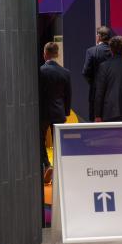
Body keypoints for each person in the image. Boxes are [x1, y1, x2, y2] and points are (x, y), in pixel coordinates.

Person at [39, 42, 71, 184]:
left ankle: (47, 165)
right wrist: (66, 111)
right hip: (59, 112)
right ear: (57, 54)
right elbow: (68, 95)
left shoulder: (40, 71)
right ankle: (60, 169)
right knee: (59, 141)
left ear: (45, 54)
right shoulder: (65, 72)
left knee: (40, 141)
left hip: (43, 113)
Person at [82, 26, 112, 121]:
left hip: (95, 94)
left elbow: (86, 72)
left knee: (97, 127)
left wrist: (94, 83)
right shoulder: (114, 51)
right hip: (113, 93)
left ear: (99, 36)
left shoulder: (91, 51)